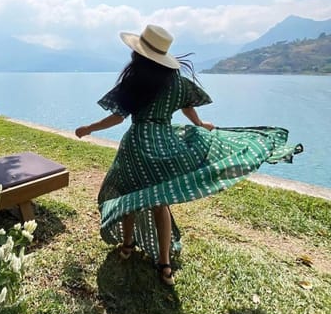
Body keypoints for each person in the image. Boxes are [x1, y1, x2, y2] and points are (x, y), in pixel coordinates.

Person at [75, 24, 303, 286]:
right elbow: (188, 108)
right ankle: (164, 264)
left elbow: (117, 117)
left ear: (138, 54)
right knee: (160, 202)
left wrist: (90, 128)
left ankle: (127, 247)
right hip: (164, 144)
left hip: (136, 147)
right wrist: (201, 123)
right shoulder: (177, 83)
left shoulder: (135, 82)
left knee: (129, 196)